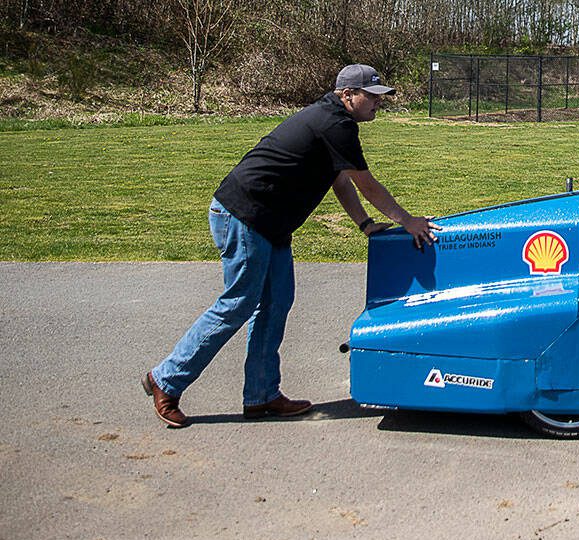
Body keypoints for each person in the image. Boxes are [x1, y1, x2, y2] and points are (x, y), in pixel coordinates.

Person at [142, 64, 438, 428]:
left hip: (270, 222)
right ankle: (166, 379)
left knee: (277, 301)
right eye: (372, 96)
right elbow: (366, 183)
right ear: (348, 95)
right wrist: (408, 220)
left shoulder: (333, 122)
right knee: (239, 303)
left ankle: (262, 395)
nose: (378, 104)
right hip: (244, 214)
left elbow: (340, 179)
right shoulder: (336, 123)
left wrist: (363, 224)